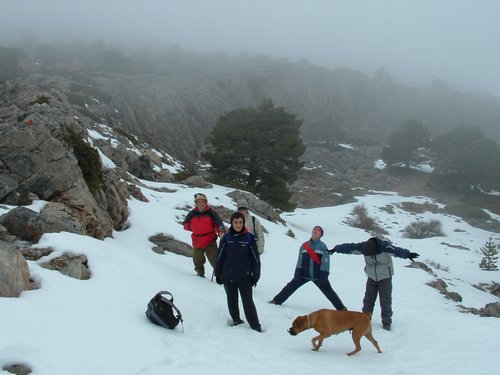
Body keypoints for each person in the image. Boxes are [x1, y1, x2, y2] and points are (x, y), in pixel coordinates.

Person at [330, 237, 420, 331]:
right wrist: (336, 248)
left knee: (385, 300)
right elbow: (349, 247)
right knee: (368, 300)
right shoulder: (363, 246)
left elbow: (397, 251)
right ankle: (364, 320)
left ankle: (386, 323)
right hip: (371, 277)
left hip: (385, 278)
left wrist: (408, 254)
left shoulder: (385, 247)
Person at [269, 226, 347, 310]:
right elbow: (299, 261)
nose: (315, 231)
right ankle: (276, 301)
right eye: (314, 229)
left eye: (318, 230)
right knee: (290, 286)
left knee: (329, 292)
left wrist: (323, 277)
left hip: (318, 277)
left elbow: (325, 263)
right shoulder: (304, 246)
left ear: (321, 235)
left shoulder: (323, 246)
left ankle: (341, 309)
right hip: (304, 275)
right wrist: (297, 274)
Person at [215, 211, 262, 332]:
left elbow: (255, 258)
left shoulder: (249, 238)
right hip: (228, 276)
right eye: (235, 222)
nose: (238, 225)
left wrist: (255, 275)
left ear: (243, 223)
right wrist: (218, 273)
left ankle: (255, 326)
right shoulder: (226, 238)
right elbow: (220, 256)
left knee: (248, 302)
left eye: (240, 222)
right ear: (231, 223)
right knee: (232, 300)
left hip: (245, 277)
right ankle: (236, 319)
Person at [183, 193, 226, 278]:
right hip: (197, 240)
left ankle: (222, 276)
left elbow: (218, 224)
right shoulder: (192, 213)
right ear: (196, 203)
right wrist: (191, 226)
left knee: (215, 260)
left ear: (206, 202)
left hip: (209, 239)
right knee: (197, 260)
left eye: (203, 201)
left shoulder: (212, 213)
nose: (201, 203)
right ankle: (200, 274)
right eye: (199, 202)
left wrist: (221, 231)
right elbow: (185, 224)